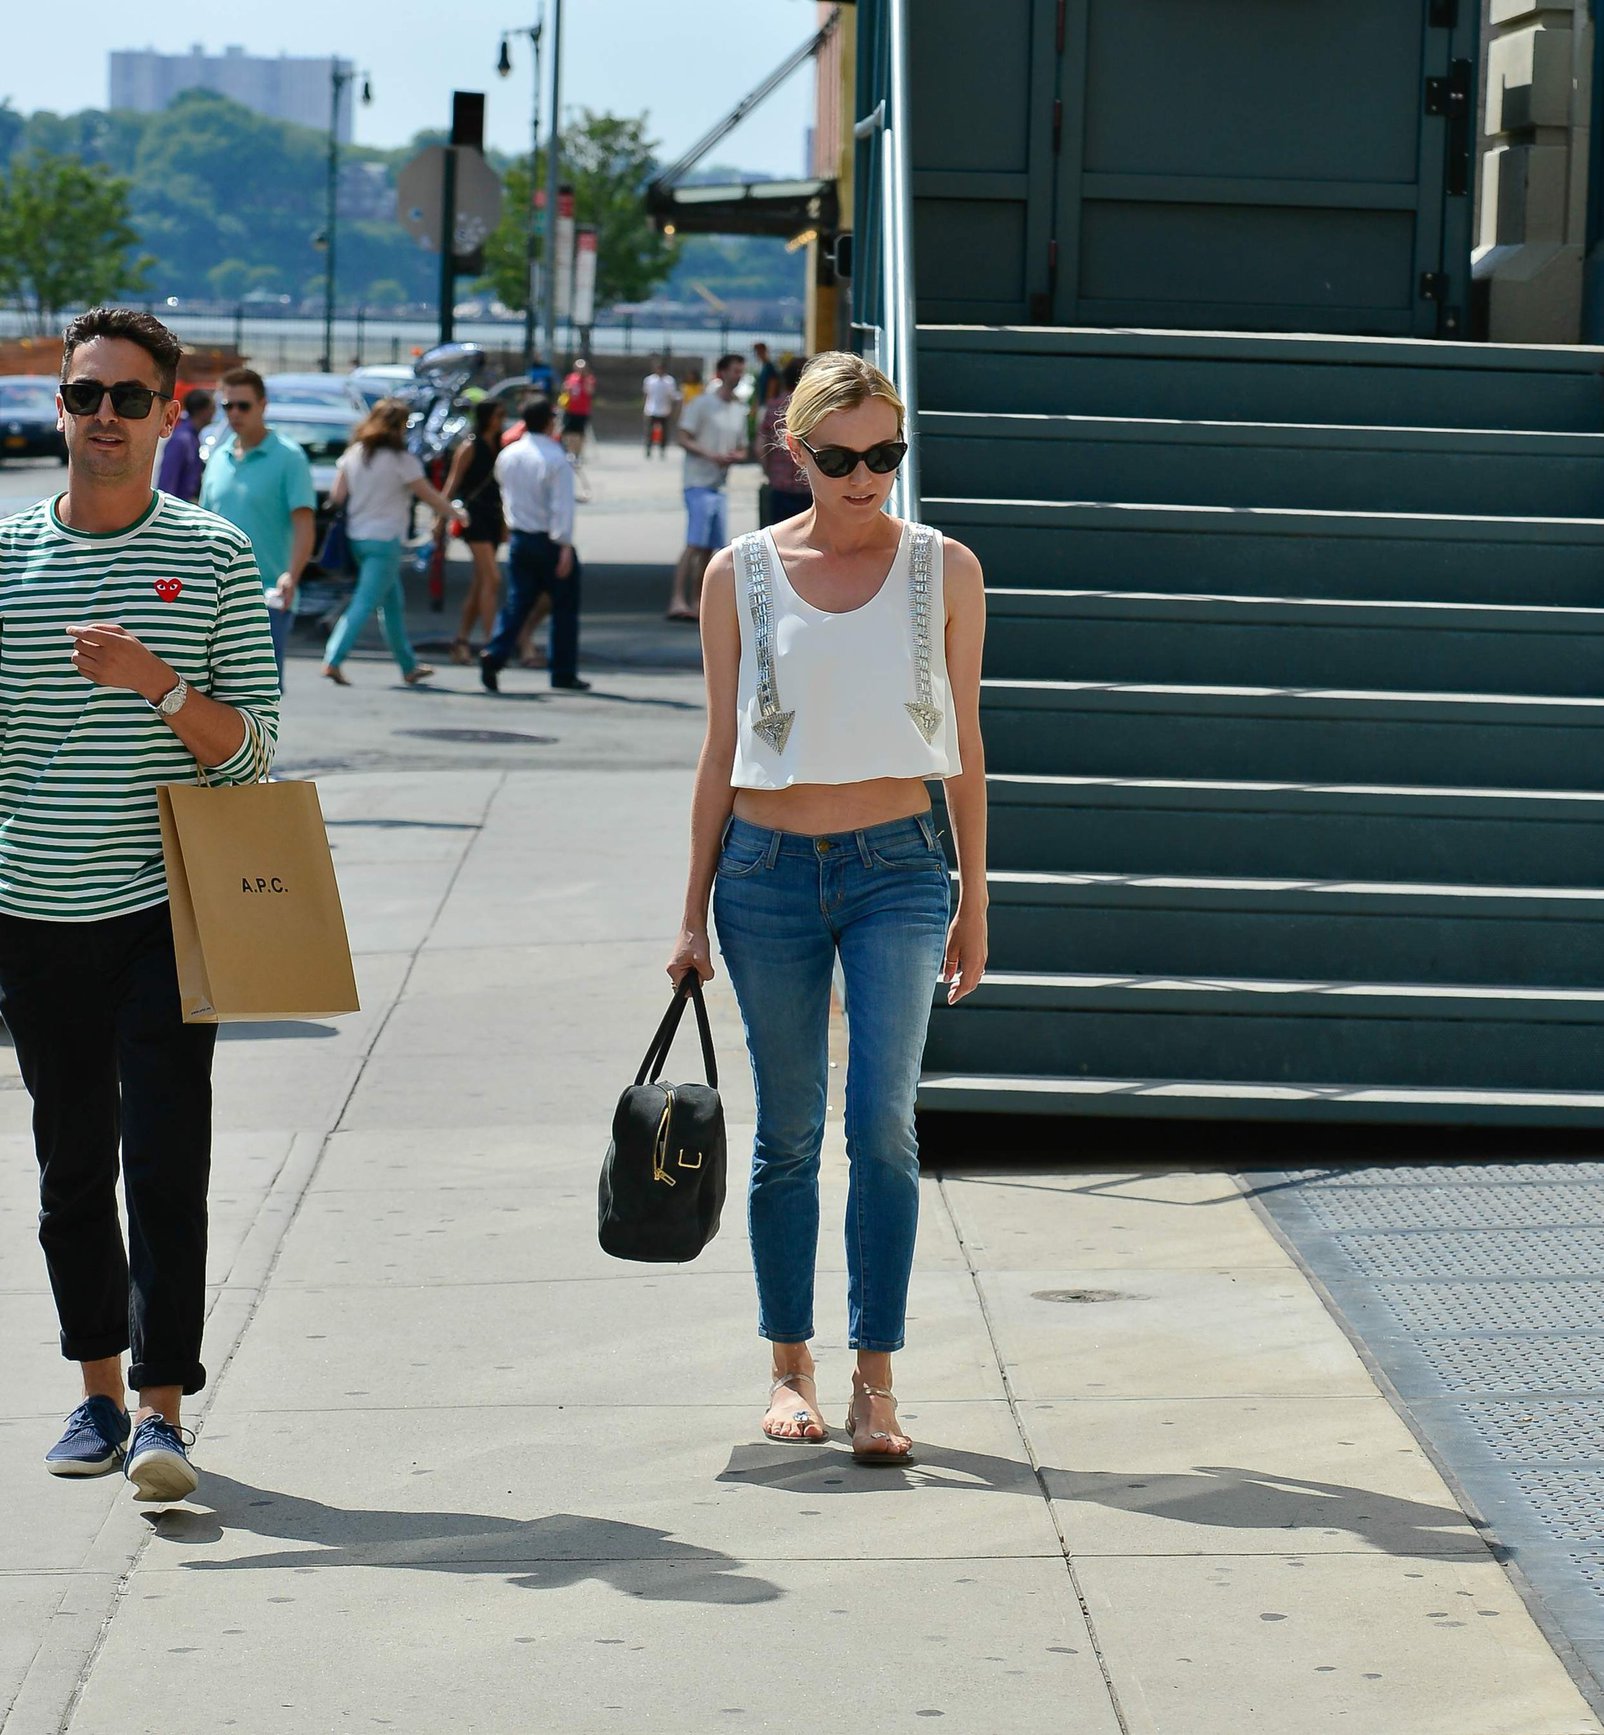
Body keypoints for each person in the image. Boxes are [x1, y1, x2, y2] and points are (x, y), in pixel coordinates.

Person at [668, 351, 988, 1462]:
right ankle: (788, 1366)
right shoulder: (740, 574)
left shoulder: (944, 569)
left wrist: (975, 896)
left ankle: (876, 1381)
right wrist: (689, 910)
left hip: (901, 866)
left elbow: (966, 745)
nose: (865, 477)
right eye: (841, 457)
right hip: (764, 871)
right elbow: (720, 745)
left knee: (885, 1126)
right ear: (794, 452)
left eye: (885, 454)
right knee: (789, 1129)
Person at [0, 306, 278, 1500]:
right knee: (71, 1164)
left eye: (127, 397)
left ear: (171, 412)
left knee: (165, 1160)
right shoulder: (9, 555)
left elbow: (251, 753)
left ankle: (163, 1412)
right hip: (30, 911)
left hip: (168, 909)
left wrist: (156, 683)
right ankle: (99, 1393)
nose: (103, 416)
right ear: (58, 406)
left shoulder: (212, 555)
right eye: (85, 394)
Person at [198, 367, 317, 690]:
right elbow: (204, 526)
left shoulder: (289, 457)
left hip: (267, 597)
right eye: (228, 406)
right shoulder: (219, 457)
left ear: (263, 405)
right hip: (213, 598)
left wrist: (292, 574)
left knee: (258, 694)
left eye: (244, 406)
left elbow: (304, 524)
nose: (234, 413)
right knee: (212, 693)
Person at [320, 399, 453, 687]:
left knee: (392, 604)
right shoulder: (402, 460)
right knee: (365, 601)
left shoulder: (355, 453)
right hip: (386, 540)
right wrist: (455, 513)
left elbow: (337, 496)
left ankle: (408, 666)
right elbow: (428, 495)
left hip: (357, 537)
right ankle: (333, 658)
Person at [480, 397, 590, 693]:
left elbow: (504, 491)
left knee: (518, 601)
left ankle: (496, 652)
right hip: (549, 539)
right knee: (564, 608)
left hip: (520, 536)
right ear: (549, 422)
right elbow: (562, 507)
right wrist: (564, 544)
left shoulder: (509, 455)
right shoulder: (556, 458)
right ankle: (563, 671)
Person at [666, 352, 749, 623]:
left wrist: (734, 456)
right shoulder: (702, 404)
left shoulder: (738, 409)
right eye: (735, 370)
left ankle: (698, 600)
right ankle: (678, 598)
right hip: (697, 481)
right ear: (721, 373)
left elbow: (743, 447)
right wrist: (709, 454)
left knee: (710, 547)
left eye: (741, 371)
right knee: (695, 542)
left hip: (719, 485)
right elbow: (683, 436)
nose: (738, 376)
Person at [441, 399, 507, 665]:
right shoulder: (470, 446)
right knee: (493, 578)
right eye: (498, 414)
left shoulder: (500, 446)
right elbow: (452, 482)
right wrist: (440, 519)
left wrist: (505, 523)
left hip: (494, 517)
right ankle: (492, 645)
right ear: (486, 417)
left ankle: (461, 641)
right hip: (473, 517)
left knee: (481, 583)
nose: (502, 419)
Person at [756, 355, 811, 526]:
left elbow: (760, 446)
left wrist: (769, 471)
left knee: (780, 536)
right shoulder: (814, 409)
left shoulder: (773, 406)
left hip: (780, 486)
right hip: (811, 487)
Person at [156, 387, 212, 503]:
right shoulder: (181, 440)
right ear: (203, 411)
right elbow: (167, 482)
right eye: (212, 408)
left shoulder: (192, 437)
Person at [642, 356, 680, 458]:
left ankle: (662, 449)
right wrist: (644, 407)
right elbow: (646, 394)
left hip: (664, 410)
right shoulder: (649, 380)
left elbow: (672, 395)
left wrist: (672, 409)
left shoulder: (669, 381)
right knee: (649, 431)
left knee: (664, 432)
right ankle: (648, 449)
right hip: (651, 409)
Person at [559, 357, 597, 459]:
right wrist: (566, 388)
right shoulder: (571, 377)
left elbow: (590, 392)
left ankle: (578, 453)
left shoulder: (589, 379)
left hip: (582, 411)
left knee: (579, 433)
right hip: (570, 409)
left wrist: (584, 381)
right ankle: (571, 452)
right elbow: (565, 390)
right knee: (569, 432)